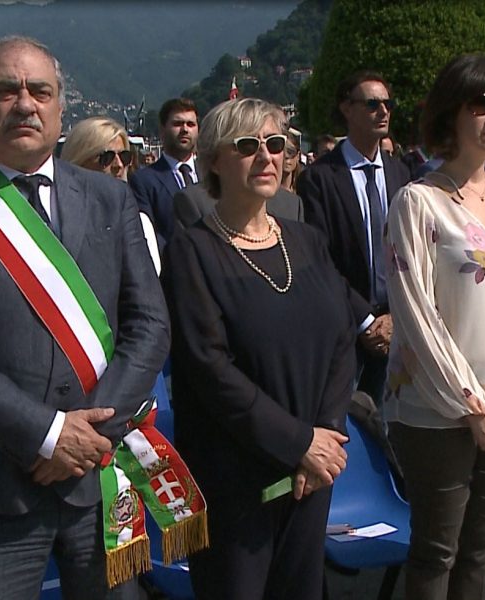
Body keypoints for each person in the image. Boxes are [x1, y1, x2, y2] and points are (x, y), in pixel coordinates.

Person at [0, 36, 169, 599]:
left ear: (60, 107)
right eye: (6, 90)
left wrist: (88, 438)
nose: (25, 104)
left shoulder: (110, 199)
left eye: (40, 91)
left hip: (100, 474)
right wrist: (47, 436)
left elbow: (149, 326)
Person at [163, 98, 355, 600]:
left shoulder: (307, 240)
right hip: (235, 477)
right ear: (213, 161)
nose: (267, 156)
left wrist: (326, 436)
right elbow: (209, 368)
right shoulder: (192, 251)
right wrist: (298, 442)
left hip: (312, 471)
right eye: (248, 146)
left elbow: (342, 339)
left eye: (275, 144)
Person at [384, 54, 485, 600]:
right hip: (437, 412)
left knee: (482, 547)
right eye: (481, 105)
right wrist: (472, 408)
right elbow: (416, 315)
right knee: (437, 551)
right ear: (450, 113)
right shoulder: (418, 202)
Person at [298, 70, 412, 407]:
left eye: (388, 104)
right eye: (372, 104)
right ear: (347, 109)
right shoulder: (320, 178)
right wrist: (366, 321)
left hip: (399, 325)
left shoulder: (400, 172)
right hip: (347, 327)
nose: (384, 111)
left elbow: (412, 251)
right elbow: (321, 258)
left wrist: (396, 317)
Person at [61, 116, 161, 273]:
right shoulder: (58, 219)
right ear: (79, 162)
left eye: (124, 157)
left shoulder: (141, 224)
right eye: (106, 158)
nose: (119, 165)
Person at [129, 98, 198, 242]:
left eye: (191, 124)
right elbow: (148, 234)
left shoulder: (213, 174)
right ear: (162, 130)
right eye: (177, 124)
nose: (185, 129)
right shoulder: (143, 181)